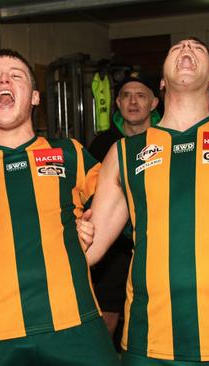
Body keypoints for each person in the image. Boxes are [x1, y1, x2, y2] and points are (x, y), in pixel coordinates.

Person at [79, 37, 209, 365]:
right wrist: (74, 233)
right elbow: (90, 250)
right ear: (162, 81)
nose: (187, 49)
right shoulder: (123, 154)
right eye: (177, 48)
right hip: (147, 340)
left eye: (198, 49)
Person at [0, 49, 120, 366]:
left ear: (35, 97)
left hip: (76, 327)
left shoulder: (69, 154)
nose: (4, 79)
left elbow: (126, 195)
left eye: (15, 75)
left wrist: (92, 228)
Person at [88, 71, 159, 339]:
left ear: (154, 103)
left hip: (155, 243)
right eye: (127, 96)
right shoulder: (103, 144)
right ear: (117, 102)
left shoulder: (167, 139)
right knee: (106, 319)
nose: (133, 102)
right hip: (112, 246)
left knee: (152, 321)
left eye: (141, 96)